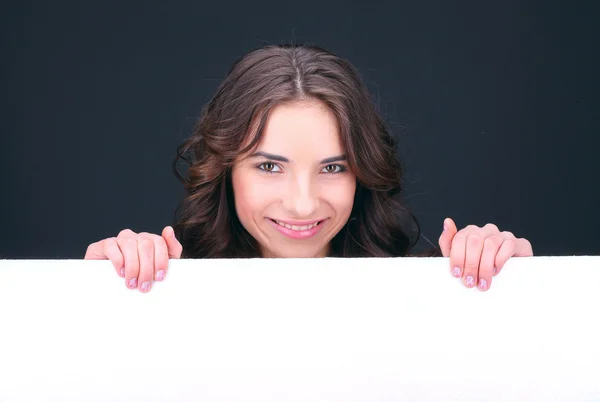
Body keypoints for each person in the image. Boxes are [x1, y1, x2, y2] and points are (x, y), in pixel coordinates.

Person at [84, 43, 533, 293]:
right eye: (269, 167)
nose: (302, 204)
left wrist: (505, 277)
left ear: (362, 173)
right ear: (226, 171)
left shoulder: (425, 293)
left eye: (334, 168)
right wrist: (99, 291)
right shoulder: (170, 291)